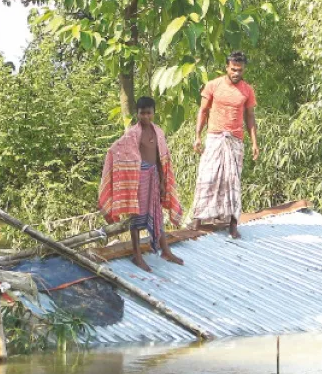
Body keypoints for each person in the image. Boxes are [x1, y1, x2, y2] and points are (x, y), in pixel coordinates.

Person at [99, 96, 184, 271]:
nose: (145, 116)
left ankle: (165, 250)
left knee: (157, 213)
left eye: (148, 113)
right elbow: (116, 150)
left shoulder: (158, 132)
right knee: (136, 217)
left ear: (153, 113)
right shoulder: (132, 133)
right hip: (138, 179)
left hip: (154, 176)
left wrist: (161, 181)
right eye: (141, 113)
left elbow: (162, 158)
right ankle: (137, 255)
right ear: (137, 114)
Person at [190, 51, 259, 239]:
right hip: (214, 137)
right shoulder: (213, 86)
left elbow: (250, 117)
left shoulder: (247, 90)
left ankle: (233, 225)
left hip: (235, 140)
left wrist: (254, 143)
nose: (237, 73)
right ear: (227, 68)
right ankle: (197, 219)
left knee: (232, 181)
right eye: (234, 69)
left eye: (240, 70)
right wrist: (197, 136)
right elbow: (203, 111)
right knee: (208, 176)